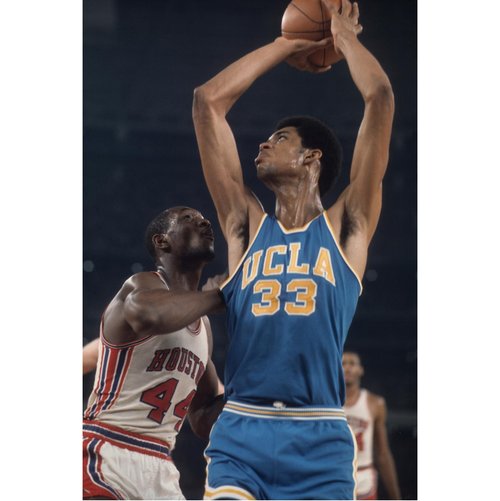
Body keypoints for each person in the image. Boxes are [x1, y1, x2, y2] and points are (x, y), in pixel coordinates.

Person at [192, 0, 394, 498]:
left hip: (320, 437)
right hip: (241, 431)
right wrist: (288, 44)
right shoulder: (244, 225)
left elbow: (380, 99)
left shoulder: (349, 224)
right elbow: (208, 102)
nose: (260, 146)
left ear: (311, 157)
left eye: (277, 138)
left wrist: (344, 38)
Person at [83, 206, 225, 500]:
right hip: (107, 449)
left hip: (160, 464)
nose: (205, 222)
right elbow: (150, 316)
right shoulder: (140, 285)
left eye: (204, 219)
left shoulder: (204, 326)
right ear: (162, 241)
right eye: (190, 219)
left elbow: (202, 416)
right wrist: (219, 295)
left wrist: (258, 391)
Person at [343, 351, 401, 500]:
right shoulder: (328, 402)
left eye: (352, 363)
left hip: (364, 476)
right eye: (343, 363)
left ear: (361, 370)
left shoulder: (375, 403)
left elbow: (382, 453)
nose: (347, 368)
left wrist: (396, 496)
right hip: (336, 474)